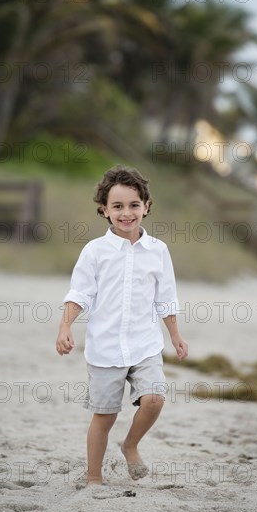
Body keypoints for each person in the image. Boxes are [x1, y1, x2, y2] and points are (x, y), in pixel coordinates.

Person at [56, 165, 188, 486]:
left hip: (145, 344)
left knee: (154, 398)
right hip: (105, 349)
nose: (126, 213)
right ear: (104, 210)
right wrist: (65, 327)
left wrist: (175, 335)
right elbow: (79, 294)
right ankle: (93, 476)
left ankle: (130, 444)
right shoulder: (95, 252)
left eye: (133, 205)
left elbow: (166, 298)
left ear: (146, 206)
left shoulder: (158, 251)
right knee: (105, 416)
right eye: (117, 206)